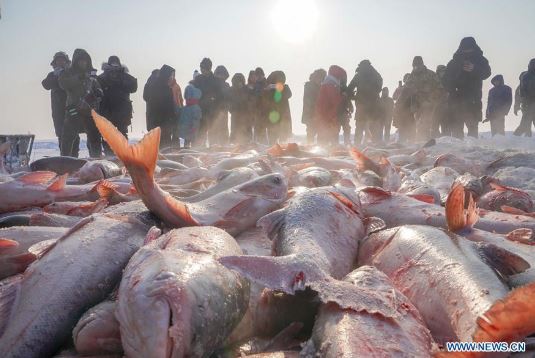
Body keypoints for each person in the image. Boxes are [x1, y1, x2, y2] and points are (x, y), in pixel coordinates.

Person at [443, 37, 491, 138]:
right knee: (456, 129)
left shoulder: (480, 60)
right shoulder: (453, 62)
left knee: (472, 128)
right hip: (455, 100)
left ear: (474, 48)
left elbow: (487, 73)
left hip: (473, 99)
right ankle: (457, 151)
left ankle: (472, 151)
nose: (467, 52)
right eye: (465, 49)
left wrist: (474, 69)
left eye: (470, 49)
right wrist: (452, 89)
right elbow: (445, 80)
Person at [59, 49, 103, 158]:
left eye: (85, 61)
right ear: (76, 61)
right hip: (73, 109)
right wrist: (79, 78)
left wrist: (98, 92)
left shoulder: (91, 74)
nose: (83, 63)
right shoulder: (67, 73)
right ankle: (65, 160)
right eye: (80, 61)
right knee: (68, 137)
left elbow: (97, 87)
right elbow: (63, 84)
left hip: (89, 110)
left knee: (94, 136)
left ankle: (96, 159)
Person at [98, 56, 138, 155]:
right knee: (107, 135)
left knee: (122, 134)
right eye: (113, 65)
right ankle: (109, 155)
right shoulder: (102, 77)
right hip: (107, 111)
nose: (115, 68)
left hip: (122, 112)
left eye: (117, 65)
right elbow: (96, 87)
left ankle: (123, 154)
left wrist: (121, 77)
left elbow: (133, 87)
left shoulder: (125, 76)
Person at [404, 56, 441, 141]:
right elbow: (406, 88)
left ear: (422, 64)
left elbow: (439, 87)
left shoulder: (431, 74)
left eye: (417, 65)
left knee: (426, 122)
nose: (416, 67)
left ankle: (426, 140)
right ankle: (421, 140)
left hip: (429, 103)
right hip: (416, 104)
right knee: (418, 123)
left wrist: (433, 98)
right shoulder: (411, 76)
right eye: (414, 66)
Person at [42, 51, 73, 153]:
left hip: (72, 108)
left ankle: (74, 158)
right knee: (61, 134)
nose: (60, 62)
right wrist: (56, 76)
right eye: (58, 60)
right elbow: (46, 85)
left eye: (62, 60)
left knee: (73, 133)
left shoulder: (71, 73)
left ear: (66, 61)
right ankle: (64, 157)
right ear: (55, 62)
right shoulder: (52, 75)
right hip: (58, 110)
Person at [348, 60, 383, 145]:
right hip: (373, 105)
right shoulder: (376, 75)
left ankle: (357, 146)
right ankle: (376, 146)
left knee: (360, 127)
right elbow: (379, 89)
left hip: (362, 105)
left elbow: (349, 89)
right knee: (374, 127)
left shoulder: (358, 75)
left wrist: (355, 97)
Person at [144, 64, 178, 148]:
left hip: (153, 122)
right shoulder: (165, 89)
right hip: (163, 124)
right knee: (164, 148)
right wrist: (174, 120)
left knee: (155, 147)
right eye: (171, 75)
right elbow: (169, 108)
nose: (172, 78)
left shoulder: (151, 85)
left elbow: (146, 98)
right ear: (166, 75)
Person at [193, 58, 223, 146]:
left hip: (212, 112)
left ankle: (213, 154)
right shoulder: (198, 79)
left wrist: (216, 106)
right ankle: (199, 150)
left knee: (213, 135)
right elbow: (193, 94)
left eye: (203, 67)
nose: (201, 69)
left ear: (208, 68)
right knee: (200, 135)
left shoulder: (216, 80)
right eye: (201, 67)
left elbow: (220, 97)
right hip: (200, 111)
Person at [315, 65, 346, 146]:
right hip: (328, 115)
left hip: (325, 114)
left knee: (323, 137)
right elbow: (335, 100)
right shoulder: (330, 84)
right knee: (330, 137)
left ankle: (322, 153)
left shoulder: (328, 83)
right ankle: (327, 153)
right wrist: (343, 96)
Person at [262, 71, 292, 144]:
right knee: (273, 139)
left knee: (283, 140)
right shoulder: (268, 89)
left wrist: (276, 87)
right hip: (273, 117)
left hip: (283, 117)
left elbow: (289, 94)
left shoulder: (285, 88)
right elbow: (265, 100)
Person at [179, 72, 202, 148]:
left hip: (190, 130)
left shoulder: (191, 108)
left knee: (191, 143)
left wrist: (193, 128)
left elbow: (195, 120)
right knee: (190, 143)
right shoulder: (191, 108)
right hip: (189, 131)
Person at [302, 69, 326, 144]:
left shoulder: (319, 86)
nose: (321, 81)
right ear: (316, 77)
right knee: (311, 133)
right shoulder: (309, 86)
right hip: (311, 115)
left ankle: (320, 149)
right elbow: (308, 102)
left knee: (320, 133)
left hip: (318, 115)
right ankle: (310, 148)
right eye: (321, 78)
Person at [229, 73, 252, 144]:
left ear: (243, 82)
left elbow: (251, 101)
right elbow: (228, 101)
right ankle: (233, 145)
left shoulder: (247, 89)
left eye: (240, 82)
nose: (239, 84)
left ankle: (247, 144)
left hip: (245, 115)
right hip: (236, 114)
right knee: (234, 132)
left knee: (246, 133)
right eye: (236, 82)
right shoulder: (231, 90)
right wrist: (232, 110)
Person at [515, 59, 535, 137]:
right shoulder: (527, 76)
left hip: (528, 104)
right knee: (525, 124)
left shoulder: (526, 76)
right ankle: (514, 140)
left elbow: (520, 94)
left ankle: (515, 139)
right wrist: (516, 106)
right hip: (529, 103)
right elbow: (522, 94)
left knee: (525, 124)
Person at [211, 65, 230, 145]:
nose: (221, 76)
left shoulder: (226, 85)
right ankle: (213, 146)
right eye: (219, 74)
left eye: (222, 74)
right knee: (214, 130)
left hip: (223, 111)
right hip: (214, 111)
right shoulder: (213, 84)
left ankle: (224, 145)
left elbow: (228, 98)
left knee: (223, 130)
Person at [393, 73, 415, 143]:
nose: (408, 81)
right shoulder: (401, 88)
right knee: (402, 129)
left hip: (409, 112)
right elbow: (394, 97)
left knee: (411, 128)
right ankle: (402, 142)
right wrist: (399, 89)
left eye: (409, 79)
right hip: (401, 112)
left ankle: (411, 142)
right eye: (406, 79)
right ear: (404, 80)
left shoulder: (412, 89)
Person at [253, 67, 268, 143]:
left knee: (263, 130)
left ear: (262, 75)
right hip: (257, 111)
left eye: (260, 75)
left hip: (264, 111)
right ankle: (258, 144)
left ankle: (264, 145)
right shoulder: (255, 85)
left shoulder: (266, 83)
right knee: (257, 129)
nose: (258, 77)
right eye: (257, 75)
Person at [434, 65, 450, 136]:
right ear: (438, 72)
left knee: (446, 128)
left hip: (446, 108)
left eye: (444, 71)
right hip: (436, 108)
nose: (443, 73)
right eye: (441, 71)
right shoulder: (433, 81)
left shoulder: (448, 81)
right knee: (434, 127)